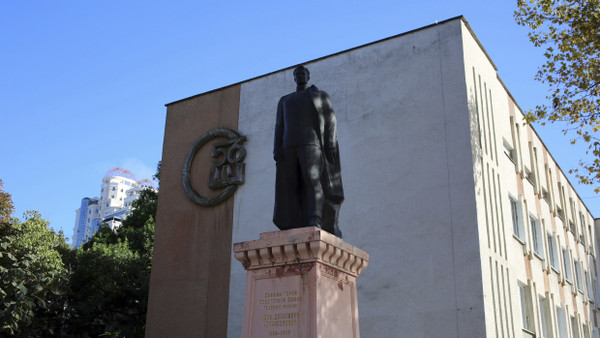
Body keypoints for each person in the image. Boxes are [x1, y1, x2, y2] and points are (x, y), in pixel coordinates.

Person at [273, 65, 344, 237]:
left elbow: (330, 120)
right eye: (297, 74)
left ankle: (315, 217)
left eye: (303, 73)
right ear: (294, 78)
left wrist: (330, 142)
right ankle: (293, 220)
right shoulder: (285, 100)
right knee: (291, 184)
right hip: (288, 145)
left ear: (308, 76)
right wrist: (277, 148)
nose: (300, 76)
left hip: (311, 143)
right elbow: (279, 126)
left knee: (312, 180)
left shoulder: (320, 95)